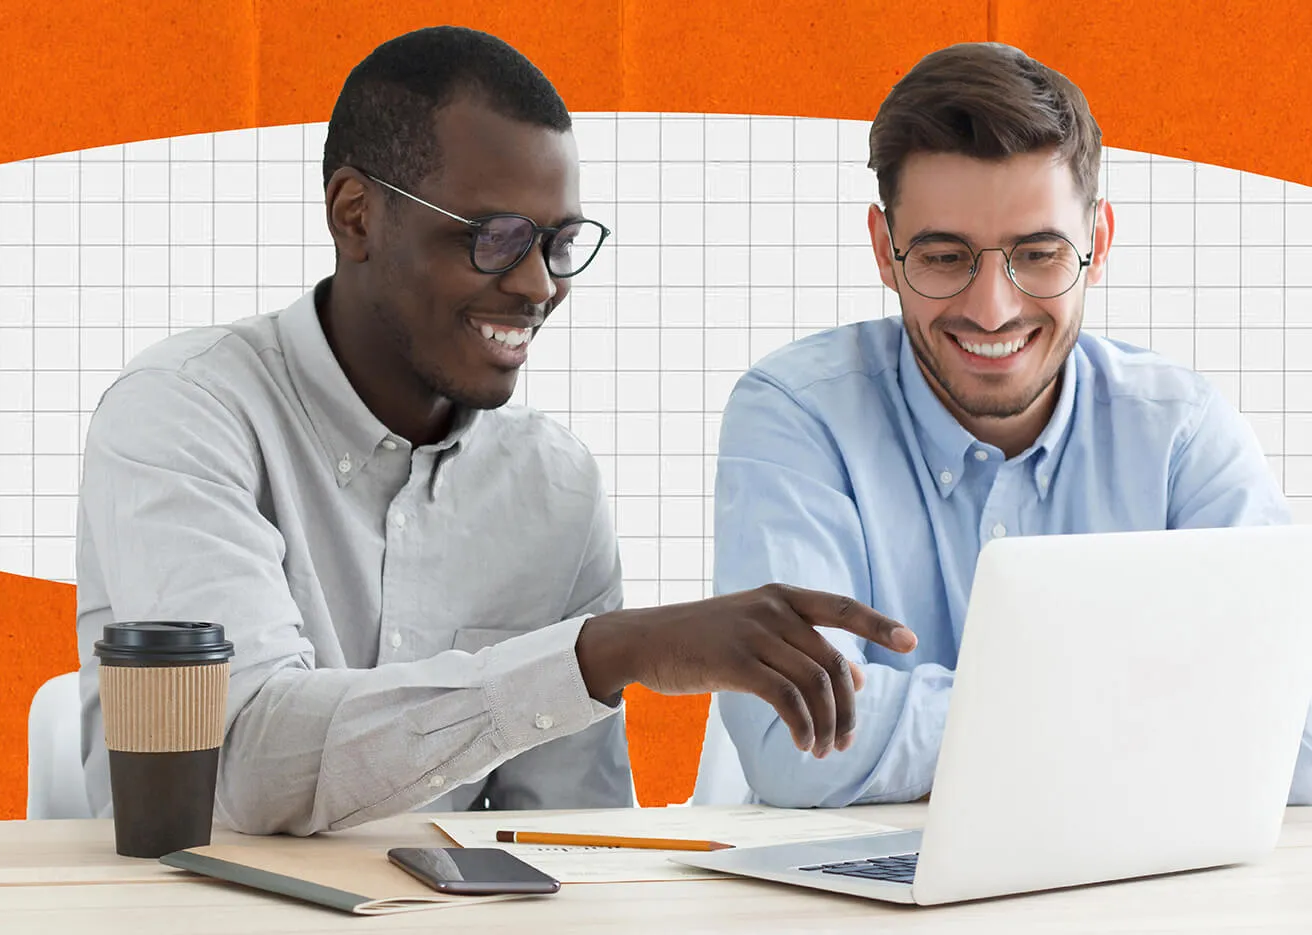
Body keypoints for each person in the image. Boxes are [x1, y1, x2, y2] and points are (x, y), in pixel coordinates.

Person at [74, 25, 916, 837]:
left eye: (558, 242)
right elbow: (247, 763)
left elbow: (567, 840)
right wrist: (598, 656)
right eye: (495, 238)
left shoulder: (555, 487)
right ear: (356, 215)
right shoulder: (183, 415)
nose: (539, 285)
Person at [709, 41, 1311, 808]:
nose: (992, 307)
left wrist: (971, 720)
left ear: (1098, 243)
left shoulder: (1181, 435)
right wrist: (1146, 704)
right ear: (883, 252)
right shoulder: (796, 415)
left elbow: (1293, 731)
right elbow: (795, 743)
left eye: (1038, 253)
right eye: (942, 256)